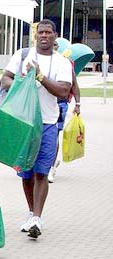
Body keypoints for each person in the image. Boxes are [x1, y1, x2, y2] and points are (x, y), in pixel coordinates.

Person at [1, 19, 72, 239]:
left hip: (48, 123)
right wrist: (23, 85)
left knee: (42, 172)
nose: (44, 36)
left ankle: (37, 219)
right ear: (36, 35)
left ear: (54, 36)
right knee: (26, 173)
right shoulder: (23, 55)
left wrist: (40, 76)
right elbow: (5, 79)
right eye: (40, 32)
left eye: (48, 33)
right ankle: (31, 212)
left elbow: (63, 90)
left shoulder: (61, 62)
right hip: (23, 122)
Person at [48, 39, 81, 183]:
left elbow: (74, 84)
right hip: (42, 105)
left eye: (55, 45)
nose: (53, 47)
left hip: (60, 104)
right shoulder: (40, 62)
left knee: (54, 135)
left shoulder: (64, 64)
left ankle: (51, 167)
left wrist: (78, 104)